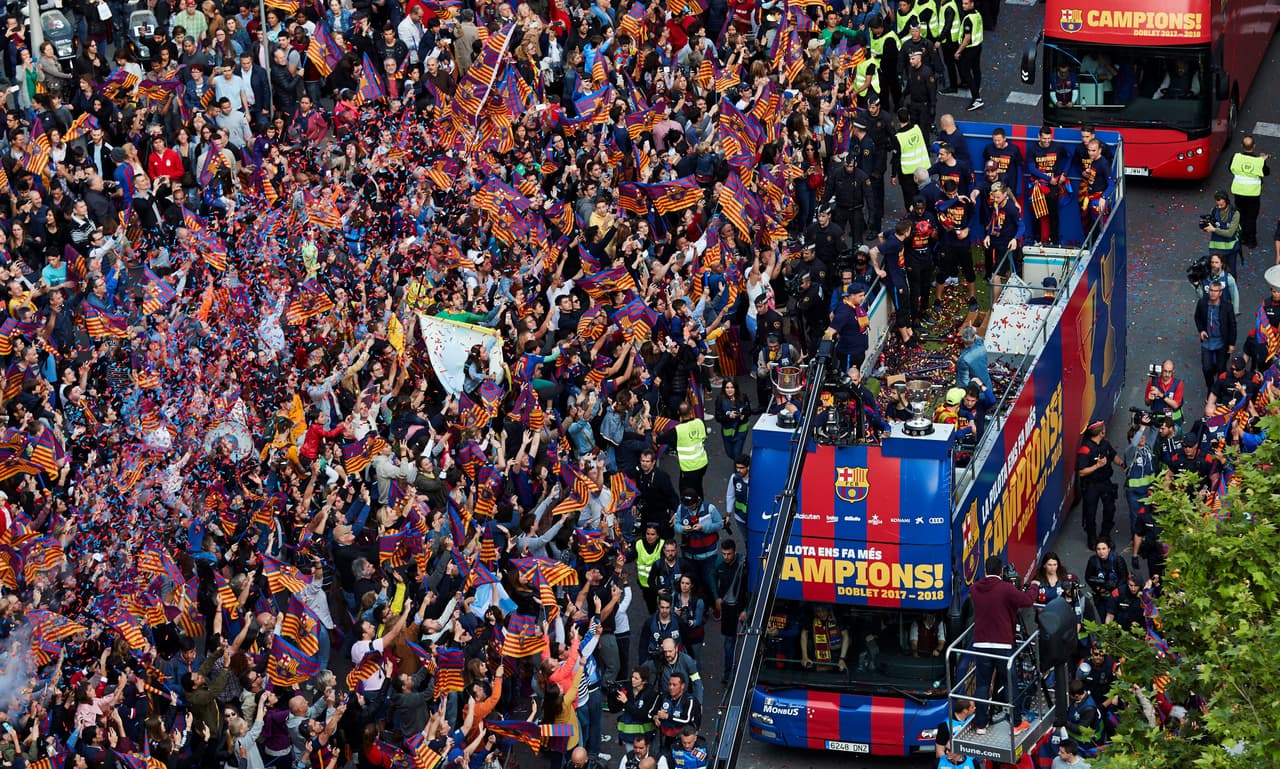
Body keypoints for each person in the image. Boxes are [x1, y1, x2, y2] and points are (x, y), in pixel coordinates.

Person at [969, 556, 1035, 734]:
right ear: (1000, 571)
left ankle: (981, 724)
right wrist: (1034, 587)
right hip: (1003, 645)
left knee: (982, 684)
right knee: (1009, 683)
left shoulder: (975, 588)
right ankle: (1015, 724)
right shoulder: (1005, 588)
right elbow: (1027, 601)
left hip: (981, 644)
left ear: (985, 570)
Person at [1077, 421, 1121, 546]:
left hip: (1105, 482)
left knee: (1110, 509)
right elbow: (1081, 472)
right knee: (1090, 512)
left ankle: (1105, 535)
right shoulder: (1085, 450)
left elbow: (1113, 456)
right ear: (1100, 432)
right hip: (1091, 485)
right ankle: (1091, 537)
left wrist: (1123, 464)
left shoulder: (1105, 444)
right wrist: (1097, 465)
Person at [1026, 126, 1070, 244]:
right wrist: (1047, 178)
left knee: (1053, 214)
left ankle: (1054, 241)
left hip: (1053, 185)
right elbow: (1031, 169)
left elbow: (1068, 157)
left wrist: (1064, 174)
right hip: (1037, 185)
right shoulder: (1032, 149)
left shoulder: (1058, 146)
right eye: (1044, 138)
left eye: (1048, 138)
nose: (1046, 141)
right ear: (1039, 137)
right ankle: (1037, 240)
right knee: (1036, 213)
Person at [1229, 135, 1269, 251]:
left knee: (1241, 216)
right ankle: (1251, 241)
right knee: (1251, 218)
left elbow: (1230, 169)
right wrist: (1263, 160)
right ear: (1254, 147)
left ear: (1242, 146)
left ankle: (1241, 238)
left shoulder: (1235, 157)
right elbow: (1266, 172)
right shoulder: (1258, 161)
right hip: (1253, 195)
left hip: (1239, 193)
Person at [1195, 280, 1237, 389]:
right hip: (1207, 342)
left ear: (1220, 293)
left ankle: (1218, 390)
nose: (1213, 293)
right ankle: (1211, 388)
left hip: (1221, 342)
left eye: (1215, 291)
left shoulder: (1227, 306)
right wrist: (1201, 330)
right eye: (1211, 290)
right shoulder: (1202, 303)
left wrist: (1231, 344)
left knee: (1221, 369)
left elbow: (1232, 325)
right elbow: (1197, 317)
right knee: (1207, 368)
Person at [1203, 190, 1242, 276]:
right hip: (1216, 249)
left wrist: (1214, 229)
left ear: (1226, 201)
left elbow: (1230, 233)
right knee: (1215, 271)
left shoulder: (1235, 213)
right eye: (1218, 204)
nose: (1219, 207)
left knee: (1231, 272)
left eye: (1222, 205)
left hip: (1231, 249)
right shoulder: (1214, 210)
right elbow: (1211, 225)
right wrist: (1206, 227)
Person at [800, 604, 850, 672]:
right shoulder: (811, 618)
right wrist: (805, 657)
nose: (821, 614)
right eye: (818, 611)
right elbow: (804, 633)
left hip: (836, 658)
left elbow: (846, 636)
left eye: (823, 611)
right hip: (816, 658)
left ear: (828, 610)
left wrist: (842, 659)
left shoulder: (836, 617)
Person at [956, 0, 984, 111]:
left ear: (972, 4)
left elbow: (967, 39)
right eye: (963, 3)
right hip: (978, 46)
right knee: (976, 70)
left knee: (965, 72)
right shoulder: (977, 14)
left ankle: (977, 98)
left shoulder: (968, 19)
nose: (963, 5)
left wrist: (958, 51)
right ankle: (976, 92)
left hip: (969, 50)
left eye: (966, 3)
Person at [1145, 360, 1185, 432]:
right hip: (1157, 419)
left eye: (1170, 372)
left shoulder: (1179, 384)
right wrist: (1150, 399)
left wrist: (1161, 395)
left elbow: (1176, 405)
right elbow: (1147, 403)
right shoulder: (1152, 382)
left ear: (1173, 371)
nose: (1167, 374)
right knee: (1156, 441)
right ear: (1161, 369)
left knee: (1174, 440)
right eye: (1165, 371)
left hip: (1174, 419)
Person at [954, 326, 992, 393]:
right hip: (986, 385)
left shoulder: (963, 359)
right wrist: (973, 331)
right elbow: (979, 339)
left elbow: (964, 381)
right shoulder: (981, 347)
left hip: (975, 392)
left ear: (962, 339)